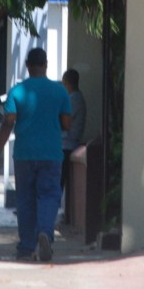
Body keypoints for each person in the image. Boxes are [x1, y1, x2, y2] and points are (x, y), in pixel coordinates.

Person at [0, 48, 71, 262]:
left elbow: (8, 123)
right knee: (49, 195)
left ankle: (26, 246)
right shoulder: (60, 91)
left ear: (27, 66)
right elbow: (66, 123)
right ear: (46, 64)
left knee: (25, 199)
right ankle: (45, 232)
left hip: (24, 154)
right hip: (51, 153)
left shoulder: (17, 92)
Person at [60, 69, 86, 197]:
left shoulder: (73, 99)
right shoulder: (76, 98)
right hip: (68, 143)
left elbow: (64, 121)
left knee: (59, 181)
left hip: (67, 144)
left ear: (66, 82)